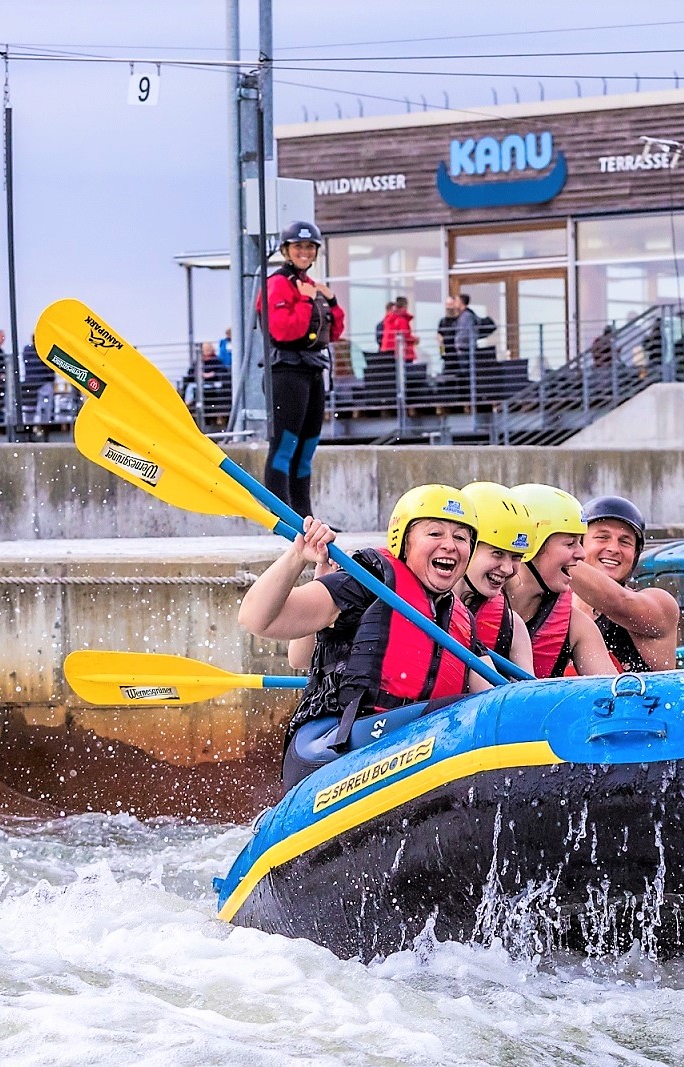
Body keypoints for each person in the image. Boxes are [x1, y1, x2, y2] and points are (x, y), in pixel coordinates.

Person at [238, 485, 483, 790]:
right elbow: (257, 619)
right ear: (404, 541)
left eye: (460, 538)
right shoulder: (367, 583)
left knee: (469, 712)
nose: (450, 545)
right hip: (330, 746)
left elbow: (491, 700)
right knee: (448, 715)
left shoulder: (461, 620)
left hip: (407, 748)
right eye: (435, 534)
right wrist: (297, 556)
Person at [257, 220, 345, 518]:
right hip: (286, 371)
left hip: (312, 370)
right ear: (286, 251)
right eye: (298, 247)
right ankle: (282, 516)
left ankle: (304, 518)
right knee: (285, 445)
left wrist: (331, 302)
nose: (304, 252)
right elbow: (284, 331)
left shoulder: (309, 284)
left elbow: (333, 332)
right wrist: (307, 301)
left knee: (306, 448)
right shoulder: (277, 283)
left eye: (309, 247)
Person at [503, 484, 616, 678]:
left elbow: (617, 700)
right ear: (529, 546)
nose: (582, 554)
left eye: (581, 542)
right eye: (570, 543)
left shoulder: (577, 627)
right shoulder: (466, 605)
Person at [570, 495, 679, 672]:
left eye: (625, 541)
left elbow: (617, 602)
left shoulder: (660, 606)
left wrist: (556, 554)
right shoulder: (555, 608)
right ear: (580, 544)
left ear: (635, 554)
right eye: (602, 537)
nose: (613, 548)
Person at [456, 482, 537, 676]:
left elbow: (528, 699)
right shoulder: (414, 607)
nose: (508, 569)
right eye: (497, 553)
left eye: (516, 556)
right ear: (467, 544)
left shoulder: (513, 626)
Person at [380, 296, 419, 363]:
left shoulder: (388, 319)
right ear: (405, 306)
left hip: (387, 351)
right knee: (405, 371)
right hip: (402, 353)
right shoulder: (401, 320)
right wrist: (415, 339)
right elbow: (405, 336)